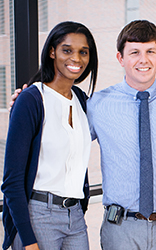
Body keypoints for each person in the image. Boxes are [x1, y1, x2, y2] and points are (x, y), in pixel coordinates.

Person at [86, 20, 156, 249]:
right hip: (120, 230)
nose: (143, 60)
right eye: (134, 52)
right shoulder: (98, 104)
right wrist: (28, 102)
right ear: (120, 58)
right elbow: (63, 136)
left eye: (150, 52)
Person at [2, 21, 98, 250]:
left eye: (83, 52)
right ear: (52, 52)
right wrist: (27, 239)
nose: (76, 58)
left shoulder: (83, 101)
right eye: (67, 50)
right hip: (38, 217)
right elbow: (12, 181)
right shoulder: (32, 100)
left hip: (75, 218)